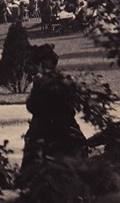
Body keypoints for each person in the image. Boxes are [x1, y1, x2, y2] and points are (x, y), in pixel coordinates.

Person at [19, 45, 87, 183]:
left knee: (33, 171)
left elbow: (33, 107)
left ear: (40, 65)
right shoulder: (66, 80)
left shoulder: (42, 83)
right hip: (69, 130)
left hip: (44, 131)